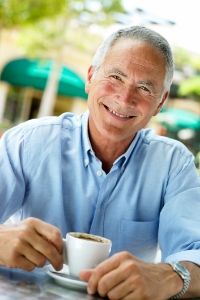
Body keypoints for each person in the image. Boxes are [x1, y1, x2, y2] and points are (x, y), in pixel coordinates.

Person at [0, 25, 200, 299]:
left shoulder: (173, 164)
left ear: (160, 102)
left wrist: (170, 277)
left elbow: (195, 251)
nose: (125, 97)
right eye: (115, 76)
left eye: (144, 88)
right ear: (91, 77)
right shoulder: (27, 142)